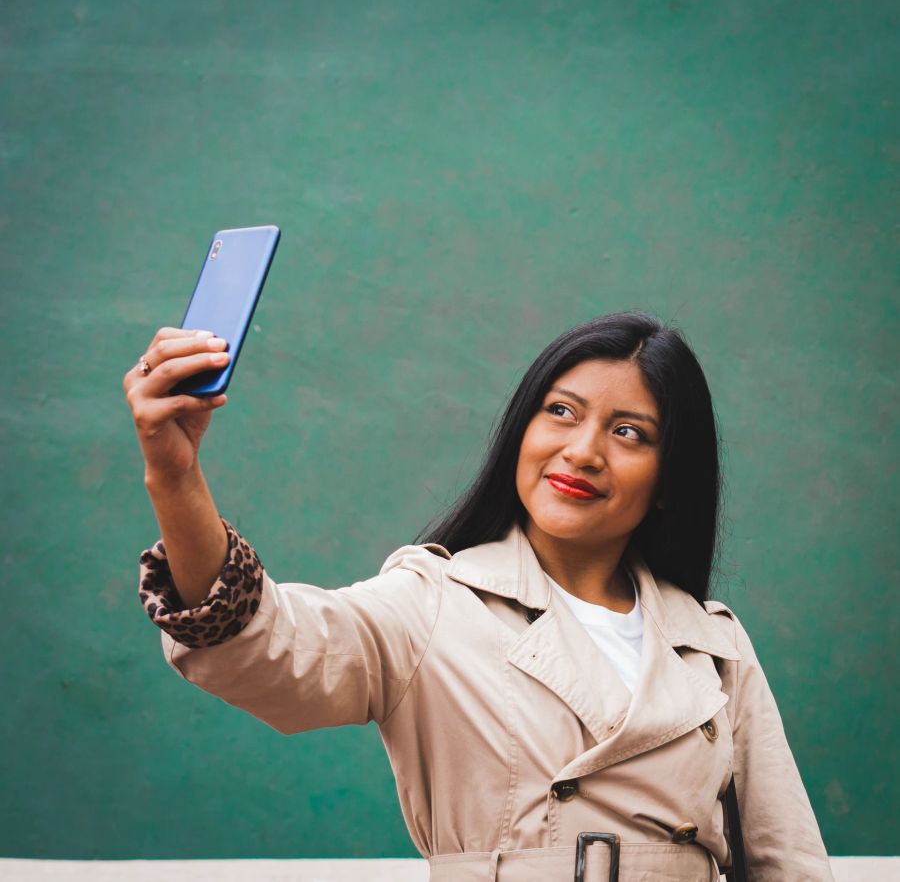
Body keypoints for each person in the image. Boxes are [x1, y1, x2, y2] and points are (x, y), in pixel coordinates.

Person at [124, 312, 833, 881]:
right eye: (561, 411)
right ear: (521, 429)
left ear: (668, 480)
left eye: (628, 433)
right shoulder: (434, 601)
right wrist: (174, 475)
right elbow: (271, 647)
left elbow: (787, 863)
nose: (583, 451)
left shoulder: (712, 644)